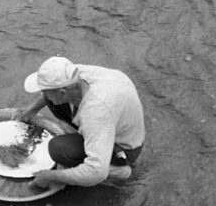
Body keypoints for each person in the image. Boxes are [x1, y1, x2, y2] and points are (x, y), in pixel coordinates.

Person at [15, 56, 145, 189]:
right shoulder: (76, 74)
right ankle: (85, 138)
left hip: (123, 149)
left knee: (59, 148)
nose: (43, 94)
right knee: (51, 101)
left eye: (44, 92)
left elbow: (96, 172)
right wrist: (32, 110)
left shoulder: (96, 110)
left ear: (62, 92)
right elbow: (53, 91)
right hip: (111, 122)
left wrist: (50, 176)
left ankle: (120, 171)